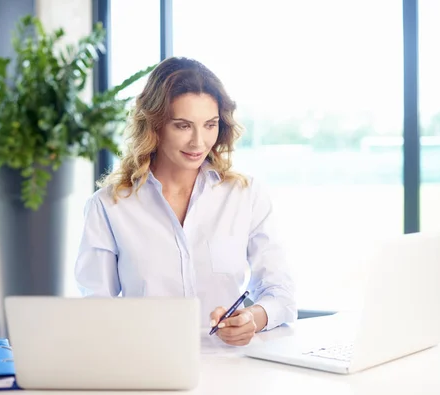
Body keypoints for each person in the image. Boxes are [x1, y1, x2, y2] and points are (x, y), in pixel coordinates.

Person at [74, 57, 297, 346]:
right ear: (154, 126)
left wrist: (252, 318)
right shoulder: (109, 206)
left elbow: (281, 293)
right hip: (148, 368)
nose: (198, 142)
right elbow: (96, 309)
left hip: (232, 369)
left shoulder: (245, 195)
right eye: (182, 126)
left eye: (210, 125)